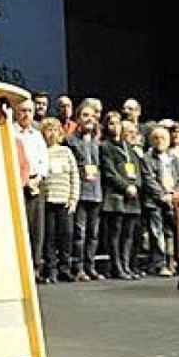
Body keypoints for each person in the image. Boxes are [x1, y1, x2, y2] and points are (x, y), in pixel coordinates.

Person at [100, 113, 143, 280]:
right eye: (111, 124)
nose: (115, 127)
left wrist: (136, 185)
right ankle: (117, 267)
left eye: (117, 124)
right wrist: (126, 187)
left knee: (128, 234)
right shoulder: (105, 146)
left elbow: (137, 170)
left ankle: (126, 266)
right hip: (115, 196)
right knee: (115, 234)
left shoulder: (129, 148)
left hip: (133, 197)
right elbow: (109, 172)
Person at [67, 104, 105, 281]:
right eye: (85, 115)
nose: (89, 118)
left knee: (93, 233)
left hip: (96, 192)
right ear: (78, 118)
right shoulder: (71, 141)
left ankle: (91, 267)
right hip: (80, 192)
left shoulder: (98, 143)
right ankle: (79, 267)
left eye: (92, 116)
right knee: (79, 233)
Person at [39, 118, 79, 283]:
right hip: (48, 200)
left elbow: (74, 175)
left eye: (55, 130)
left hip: (64, 200)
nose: (52, 133)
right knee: (49, 237)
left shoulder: (66, 152)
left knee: (66, 235)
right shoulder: (41, 151)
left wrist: (74, 198)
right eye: (48, 130)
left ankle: (65, 268)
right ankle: (51, 269)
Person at [142, 126, 179, 276]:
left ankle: (173, 262)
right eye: (156, 138)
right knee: (156, 233)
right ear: (151, 141)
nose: (159, 141)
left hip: (172, 201)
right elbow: (148, 180)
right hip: (154, 202)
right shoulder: (146, 158)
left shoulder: (174, 159)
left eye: (163, 138)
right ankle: (160, 264)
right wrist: (162, 196)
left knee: (172, 233)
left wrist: (173, 195)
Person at [15, 99, 49, 281]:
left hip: (36, 186)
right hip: (18, 185)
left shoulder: (37, 135)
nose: (26, 114)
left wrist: (38, 178)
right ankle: (21, 270)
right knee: (21, 228)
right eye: (22, 111)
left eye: (29, 111)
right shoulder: (10, 132)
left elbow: (44, 160)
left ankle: (36, 268)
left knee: (37, 229)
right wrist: (25, 180)